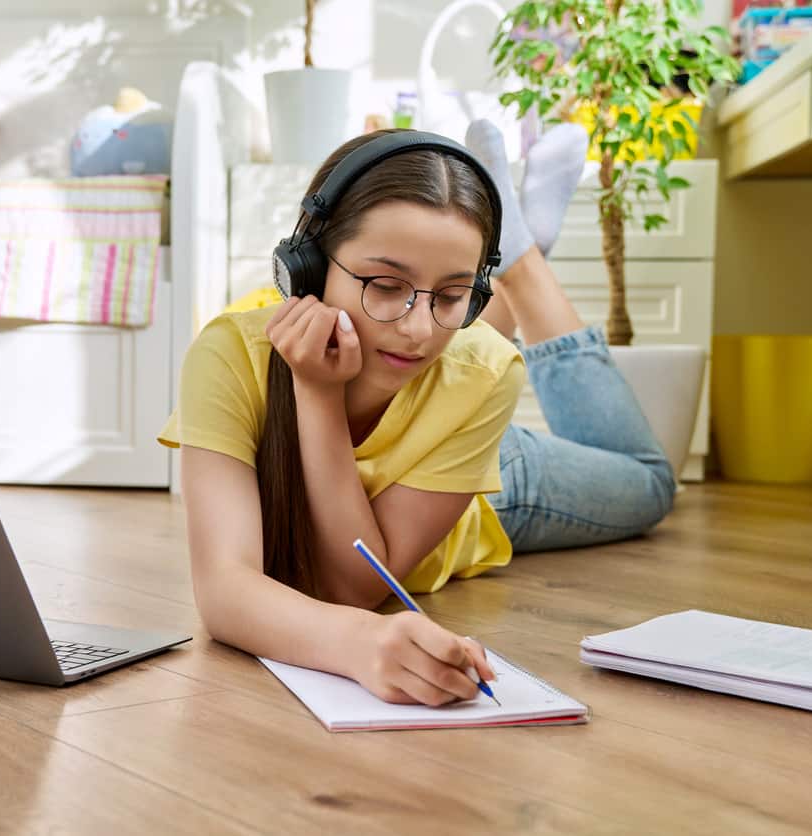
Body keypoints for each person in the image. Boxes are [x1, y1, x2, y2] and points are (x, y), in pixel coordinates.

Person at [158, 121, 675, 708]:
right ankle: (513, 262)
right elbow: (226, 591)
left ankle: (524, 266)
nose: (417, 330)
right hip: (439, 401)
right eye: (384, 283)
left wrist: (320, 395)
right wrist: (360, 645)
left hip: (476, 488)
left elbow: (353, 587)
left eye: (454, 295)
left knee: (650, 483)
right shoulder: (229, 355)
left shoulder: (483, 372)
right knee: (454, 352)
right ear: (306, 263)